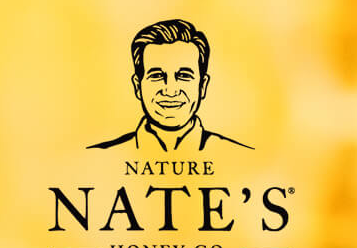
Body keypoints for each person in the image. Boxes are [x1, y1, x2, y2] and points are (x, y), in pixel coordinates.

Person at [89, 19, 250, 151]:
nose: (170, 91)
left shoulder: (241, 157)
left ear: (203, 86)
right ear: (138, 86)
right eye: (157, 76)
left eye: (184, 76)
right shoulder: (98, 159)